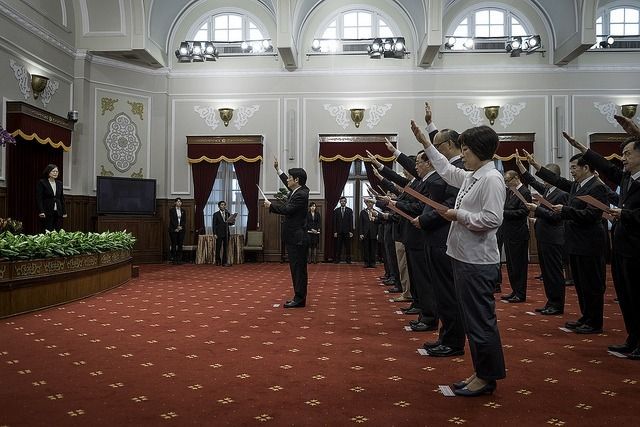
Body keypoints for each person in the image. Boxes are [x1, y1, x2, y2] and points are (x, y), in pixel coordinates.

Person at [411, 121, 506, 397]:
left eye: (465, 150)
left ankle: (487, 377)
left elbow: (492, 219)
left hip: (478, 261)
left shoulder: (491, 179)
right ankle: (481, 371)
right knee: (472, 319)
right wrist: (426, 144)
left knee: (480, 321)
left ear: (479, 150)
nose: (461, 154)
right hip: (464, 257)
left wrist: (458, 215)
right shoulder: (472, 175)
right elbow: (446, 169)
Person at [562, 122, 640, 358]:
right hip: (621, 247)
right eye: (623, 154)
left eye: (628, 154)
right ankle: (632, 339)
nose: (623, 159)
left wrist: (623, 214)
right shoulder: (627, 178)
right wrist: (582, 148)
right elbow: (606, 166)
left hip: (636, 248)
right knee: (625, 297)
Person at [529, 144, 609, 334]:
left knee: (591, 284)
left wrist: (565, 210)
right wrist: (536, 166)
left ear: (586, 168)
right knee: (581, 283)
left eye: (574, 167)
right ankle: (586, 316)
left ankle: (594, 321)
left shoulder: (597, 187)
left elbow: (592, 215)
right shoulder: (577, 185)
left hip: (590, 242)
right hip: (576, 241)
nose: (571, 171)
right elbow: (557, 180)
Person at [515, 151, 568, 315]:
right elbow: (532, 180)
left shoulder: (562, 193)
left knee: (554, 272)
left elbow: (557, 217)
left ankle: (557, 304)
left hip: (553, 237)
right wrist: (521, 167)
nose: (543, 180)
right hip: (544, 236)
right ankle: (551, 301)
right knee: (546, 272)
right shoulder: (548, 190)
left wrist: (537, 210)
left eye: (546, 176)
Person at [265, 165, 310, 308]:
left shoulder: (301, 194)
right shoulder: (299, 190)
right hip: (295, 237)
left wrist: (271, 206)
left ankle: (299, 299)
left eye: (290, 178)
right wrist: (278, 170)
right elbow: (287, 182)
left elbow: (288, 209)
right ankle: (299, 297)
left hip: (297, 238)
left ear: (296, 180)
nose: (288, 180)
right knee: (297, 269)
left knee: (298, 270)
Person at [498, 170, 532, 303]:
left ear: (516, 178)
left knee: (519, 266)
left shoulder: (525, 192)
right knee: (511, 265)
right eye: (505, 181)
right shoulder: (509, 191)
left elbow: (523, 212)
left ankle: (520, 293)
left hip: (519, 233)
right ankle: (515, 291)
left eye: (508, 180)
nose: (506, 183)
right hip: (508, 232)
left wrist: (503, 213)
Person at [36, 164, 67, 232]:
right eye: (53, 171)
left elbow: (61, 198)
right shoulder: (42, 182)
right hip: (47, 211)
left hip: (58, 211)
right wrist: (41, 211)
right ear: (48, 172)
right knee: (47, 230)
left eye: (57, 171)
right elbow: (39, 198)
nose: (55, 173)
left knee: (57, 230)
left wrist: (64, 211)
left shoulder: (59, 183)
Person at [212, 201, 233, 266]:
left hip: (226, 233)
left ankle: (224, 262)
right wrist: (214, 233)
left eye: (224, 205)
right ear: (219, 206)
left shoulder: (227, 213)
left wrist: (233, 221)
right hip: (218, 233)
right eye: (222, 205)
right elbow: (214, 225)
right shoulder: (216, 214)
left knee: (225, 248)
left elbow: (230, 224)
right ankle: (218, 261)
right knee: (218, 247)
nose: (223, 206)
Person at [333, 196, 353, 263]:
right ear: (340, 202)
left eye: (344, 201)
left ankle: (348, 259)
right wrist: (335, 231)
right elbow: (334, 222)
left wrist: (351, 231)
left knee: (348, 247)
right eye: (341, 201)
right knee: (338, 247)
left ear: (346, 202)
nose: (343, 202)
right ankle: (337, 259)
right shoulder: (336, 211)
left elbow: (351, 222)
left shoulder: (349, 210)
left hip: (347, 231)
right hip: (339, 232)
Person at [358, 199, 378, 268]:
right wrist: (361, 233)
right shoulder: (363, 212)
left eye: (371, 202)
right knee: (366, 248)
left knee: (373, 249)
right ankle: (366, 262)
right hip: (365, 233)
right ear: (366, 204)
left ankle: (373, 263)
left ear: (373, 204)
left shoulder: (376, 212)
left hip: (374, 233)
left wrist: (378, 233)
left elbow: (378, 223)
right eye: (368, 202)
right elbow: (360, 223)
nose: (370, 204)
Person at [168, 197, 186, 264]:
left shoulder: (183, 210)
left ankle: (179, 259)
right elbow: (172, 220)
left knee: (180, 244)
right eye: (178, 201)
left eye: (180, 202)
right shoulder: (172, 210)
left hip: (181, 230)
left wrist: (181, 227)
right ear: (175, 202)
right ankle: (174, 259)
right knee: (174, 244)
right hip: (173, 230)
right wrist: (177, 227)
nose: (179, 203)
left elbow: (184, 220)